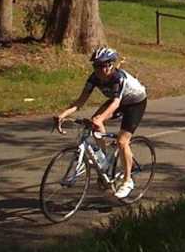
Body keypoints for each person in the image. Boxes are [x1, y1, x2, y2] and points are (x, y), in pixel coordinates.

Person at [55, 46, 147, 199]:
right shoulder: (94, 78)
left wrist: (101, 117)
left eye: (101, 66)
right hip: (117, 102)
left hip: (135, 103)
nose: (97, 69)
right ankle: (104, 161)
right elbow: (80, 101)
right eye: (95, 66)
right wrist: (62, 115)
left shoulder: (118, 78)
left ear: (110, 65)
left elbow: (116, 104)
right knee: (95, 123)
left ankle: (127, 180)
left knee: (122, 141)